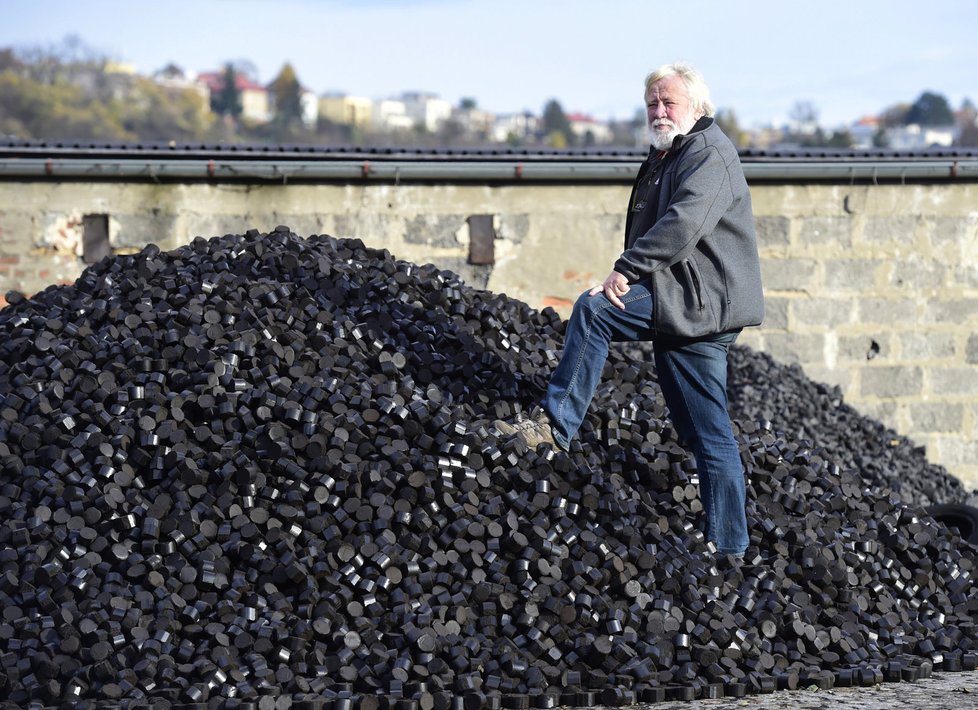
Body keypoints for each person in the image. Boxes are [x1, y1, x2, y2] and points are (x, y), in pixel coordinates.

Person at [494, 62, 764, 557]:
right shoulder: (670, 152)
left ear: (697, 106)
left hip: (698, 301)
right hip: (684, 300)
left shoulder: (708, 155)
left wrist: (626, 270)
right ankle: (728, 547)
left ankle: (554, 427)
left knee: (595, 310)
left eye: (669, 103)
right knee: (704, 432)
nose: (659, 111)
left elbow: (681, 226)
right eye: (652, 104)